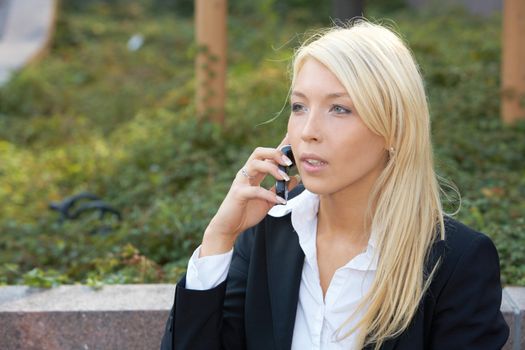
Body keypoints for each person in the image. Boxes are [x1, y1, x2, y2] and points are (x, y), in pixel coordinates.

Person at [160, 20, 509, 350]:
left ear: (394, 129)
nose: (309, 130)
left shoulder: (457, 262)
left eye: (339, 109)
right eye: (299, 106)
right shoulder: (269, 231)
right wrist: (219, 238)